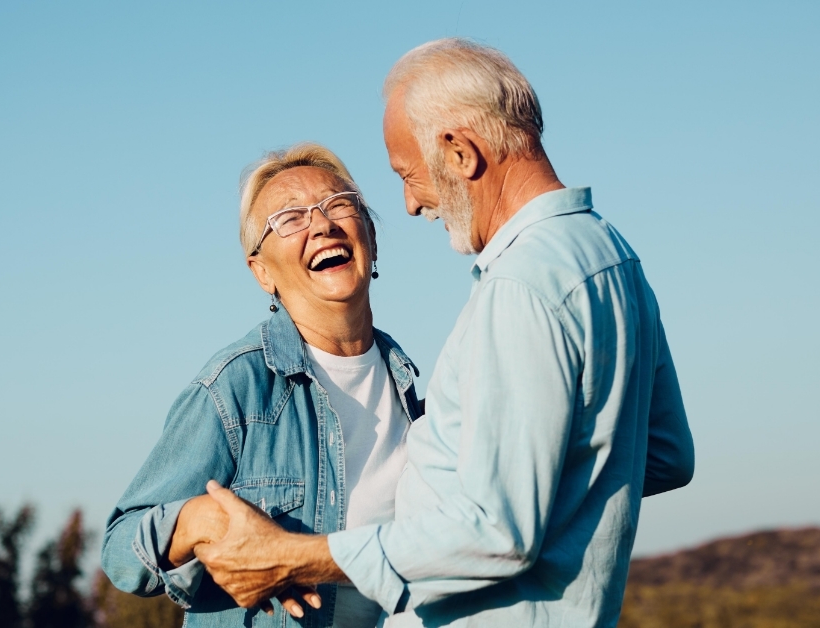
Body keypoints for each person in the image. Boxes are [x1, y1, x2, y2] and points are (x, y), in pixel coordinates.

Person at [193, 39, 696, 627]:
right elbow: (662, 455)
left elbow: (497, 531)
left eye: (409, 174)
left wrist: (295, 557)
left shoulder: (520, 287)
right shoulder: (612, 256)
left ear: (460, 152)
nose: (409, 204)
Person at [100, 143, 424, 628]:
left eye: (339, 204)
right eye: (290, 219)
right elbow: (120, 549)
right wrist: (200, 519)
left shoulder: (415, 394)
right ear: (262, 272)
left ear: (371, 238)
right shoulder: (235, 387)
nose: (321, 225)